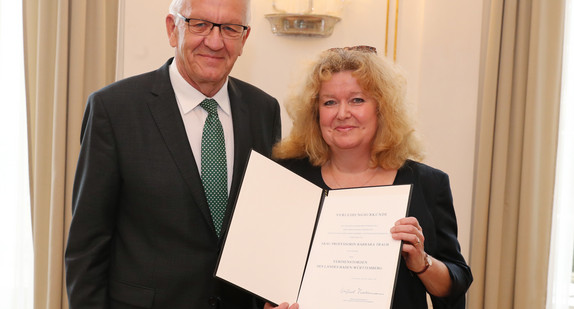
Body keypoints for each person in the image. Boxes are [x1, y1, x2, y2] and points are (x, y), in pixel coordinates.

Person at [64, 0, 281, 308]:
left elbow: (265, 225)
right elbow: (87, 246)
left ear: (244, 39)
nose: (215, 42)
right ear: (172, 28)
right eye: (200, 25)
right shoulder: (114, 110)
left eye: (230, 28)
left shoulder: (264, 110)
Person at [269, 46, 472, 309]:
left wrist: (421, 262)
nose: (342, 113)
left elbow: (455, 285)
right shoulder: (287, 179)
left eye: (357, 100)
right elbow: (265, 274)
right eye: (329, 102)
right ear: (315, 112)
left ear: (382, 109)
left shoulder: (427, 184)